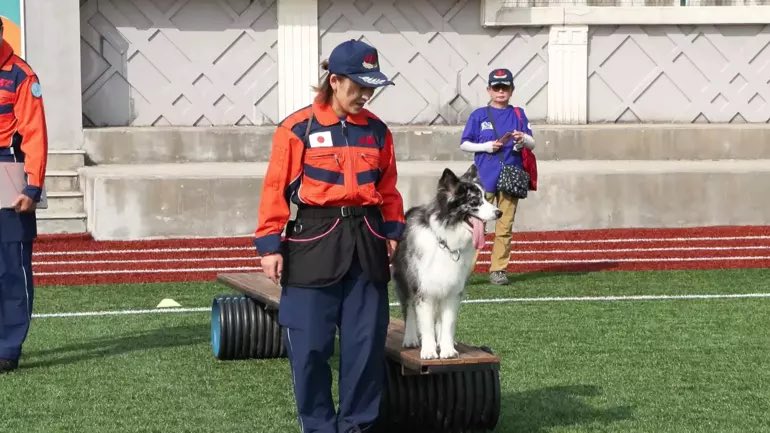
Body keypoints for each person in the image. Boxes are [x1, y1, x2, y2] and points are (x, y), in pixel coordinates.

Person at [253, 39, 405, 433]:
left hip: (367, 242)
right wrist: (270, 244)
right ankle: (319, 428)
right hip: (312, 242)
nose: (366, 95)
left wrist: (392, 231)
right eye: (358, 86)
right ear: (334, 81)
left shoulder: (378, 132)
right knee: (309, 348)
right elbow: (275, 188)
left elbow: (388, 189)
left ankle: (357, 427)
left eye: (371, 87)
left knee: (365, 350)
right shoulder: (296, 127)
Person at [0, 17, 49, 373]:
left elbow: (34, 135)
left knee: (11, 270)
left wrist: (32, 187)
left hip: (8, 172)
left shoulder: (21, 75)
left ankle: (8, 348)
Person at [459, 68, 535, 285]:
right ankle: (465, 269)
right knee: (475, 223)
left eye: (505, 87)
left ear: (512, 90)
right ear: (489, 90)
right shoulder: (478, 115)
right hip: (484, 177)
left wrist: (522, 140)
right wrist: (486, 146)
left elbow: (532, 143)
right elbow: (464, 143)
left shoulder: (518, 114)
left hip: (511, 175)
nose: (501, 91)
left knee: (505, 225)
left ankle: (498, 269)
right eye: (496, 87)